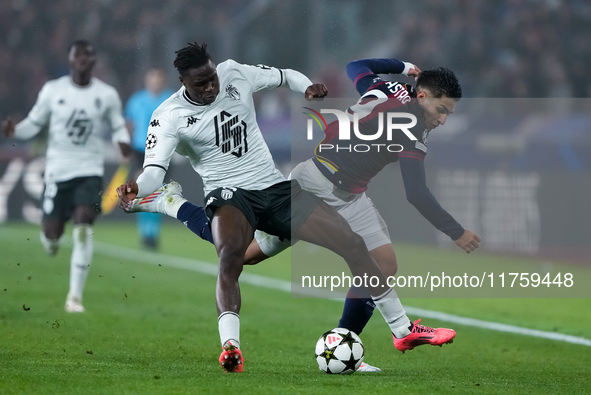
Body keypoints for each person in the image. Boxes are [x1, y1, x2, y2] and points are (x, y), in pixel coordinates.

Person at [117, 42, 459, 373]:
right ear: (183, 83)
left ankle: (402, 330)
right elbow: (152, 172)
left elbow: (284, 75)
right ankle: (231, 347)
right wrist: (138, 187)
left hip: (275, 188)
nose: (210, 87)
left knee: (352, 244)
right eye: (201, 83)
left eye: (212, 78)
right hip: (229, 193)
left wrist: (307, 87)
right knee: (232, 256)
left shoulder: (234, 73)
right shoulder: (169, 116)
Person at [1, 39, 131, 313]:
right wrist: (16, 130)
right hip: (58, 171)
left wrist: (122, 141)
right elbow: (34, 123)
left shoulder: (106, 94)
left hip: (89, 171)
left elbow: (117, 124)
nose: (83, 59)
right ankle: (51, 241)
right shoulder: (53, 90)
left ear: (94, 62)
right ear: (70, 60)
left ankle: (74, 297)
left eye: (88, 55)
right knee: (52, 239)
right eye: (78, 55)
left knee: (84, 226)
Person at [124, 68, 174, 250]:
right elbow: (129, 124)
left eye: (158, 79)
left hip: (163, 150)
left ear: (163, 81)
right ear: (147, 81)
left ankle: (153, 233)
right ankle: (145, 232)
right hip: (140, 150)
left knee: (157, 192)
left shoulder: (171, 98)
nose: (155, 83)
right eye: (152, 79)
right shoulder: (137, 100)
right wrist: (126, 149)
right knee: (141, 191)